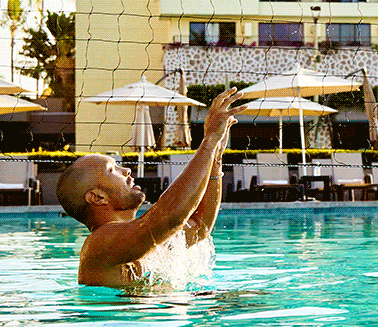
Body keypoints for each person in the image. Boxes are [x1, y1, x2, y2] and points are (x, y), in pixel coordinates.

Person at [56, 88, 245, 288]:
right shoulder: (99, 245)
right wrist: (209, 141)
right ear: (97, 197)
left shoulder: (142, 239)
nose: (126, 170)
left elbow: (200, 226)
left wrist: (216, 156)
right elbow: (170, 217)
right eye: (112, 170)